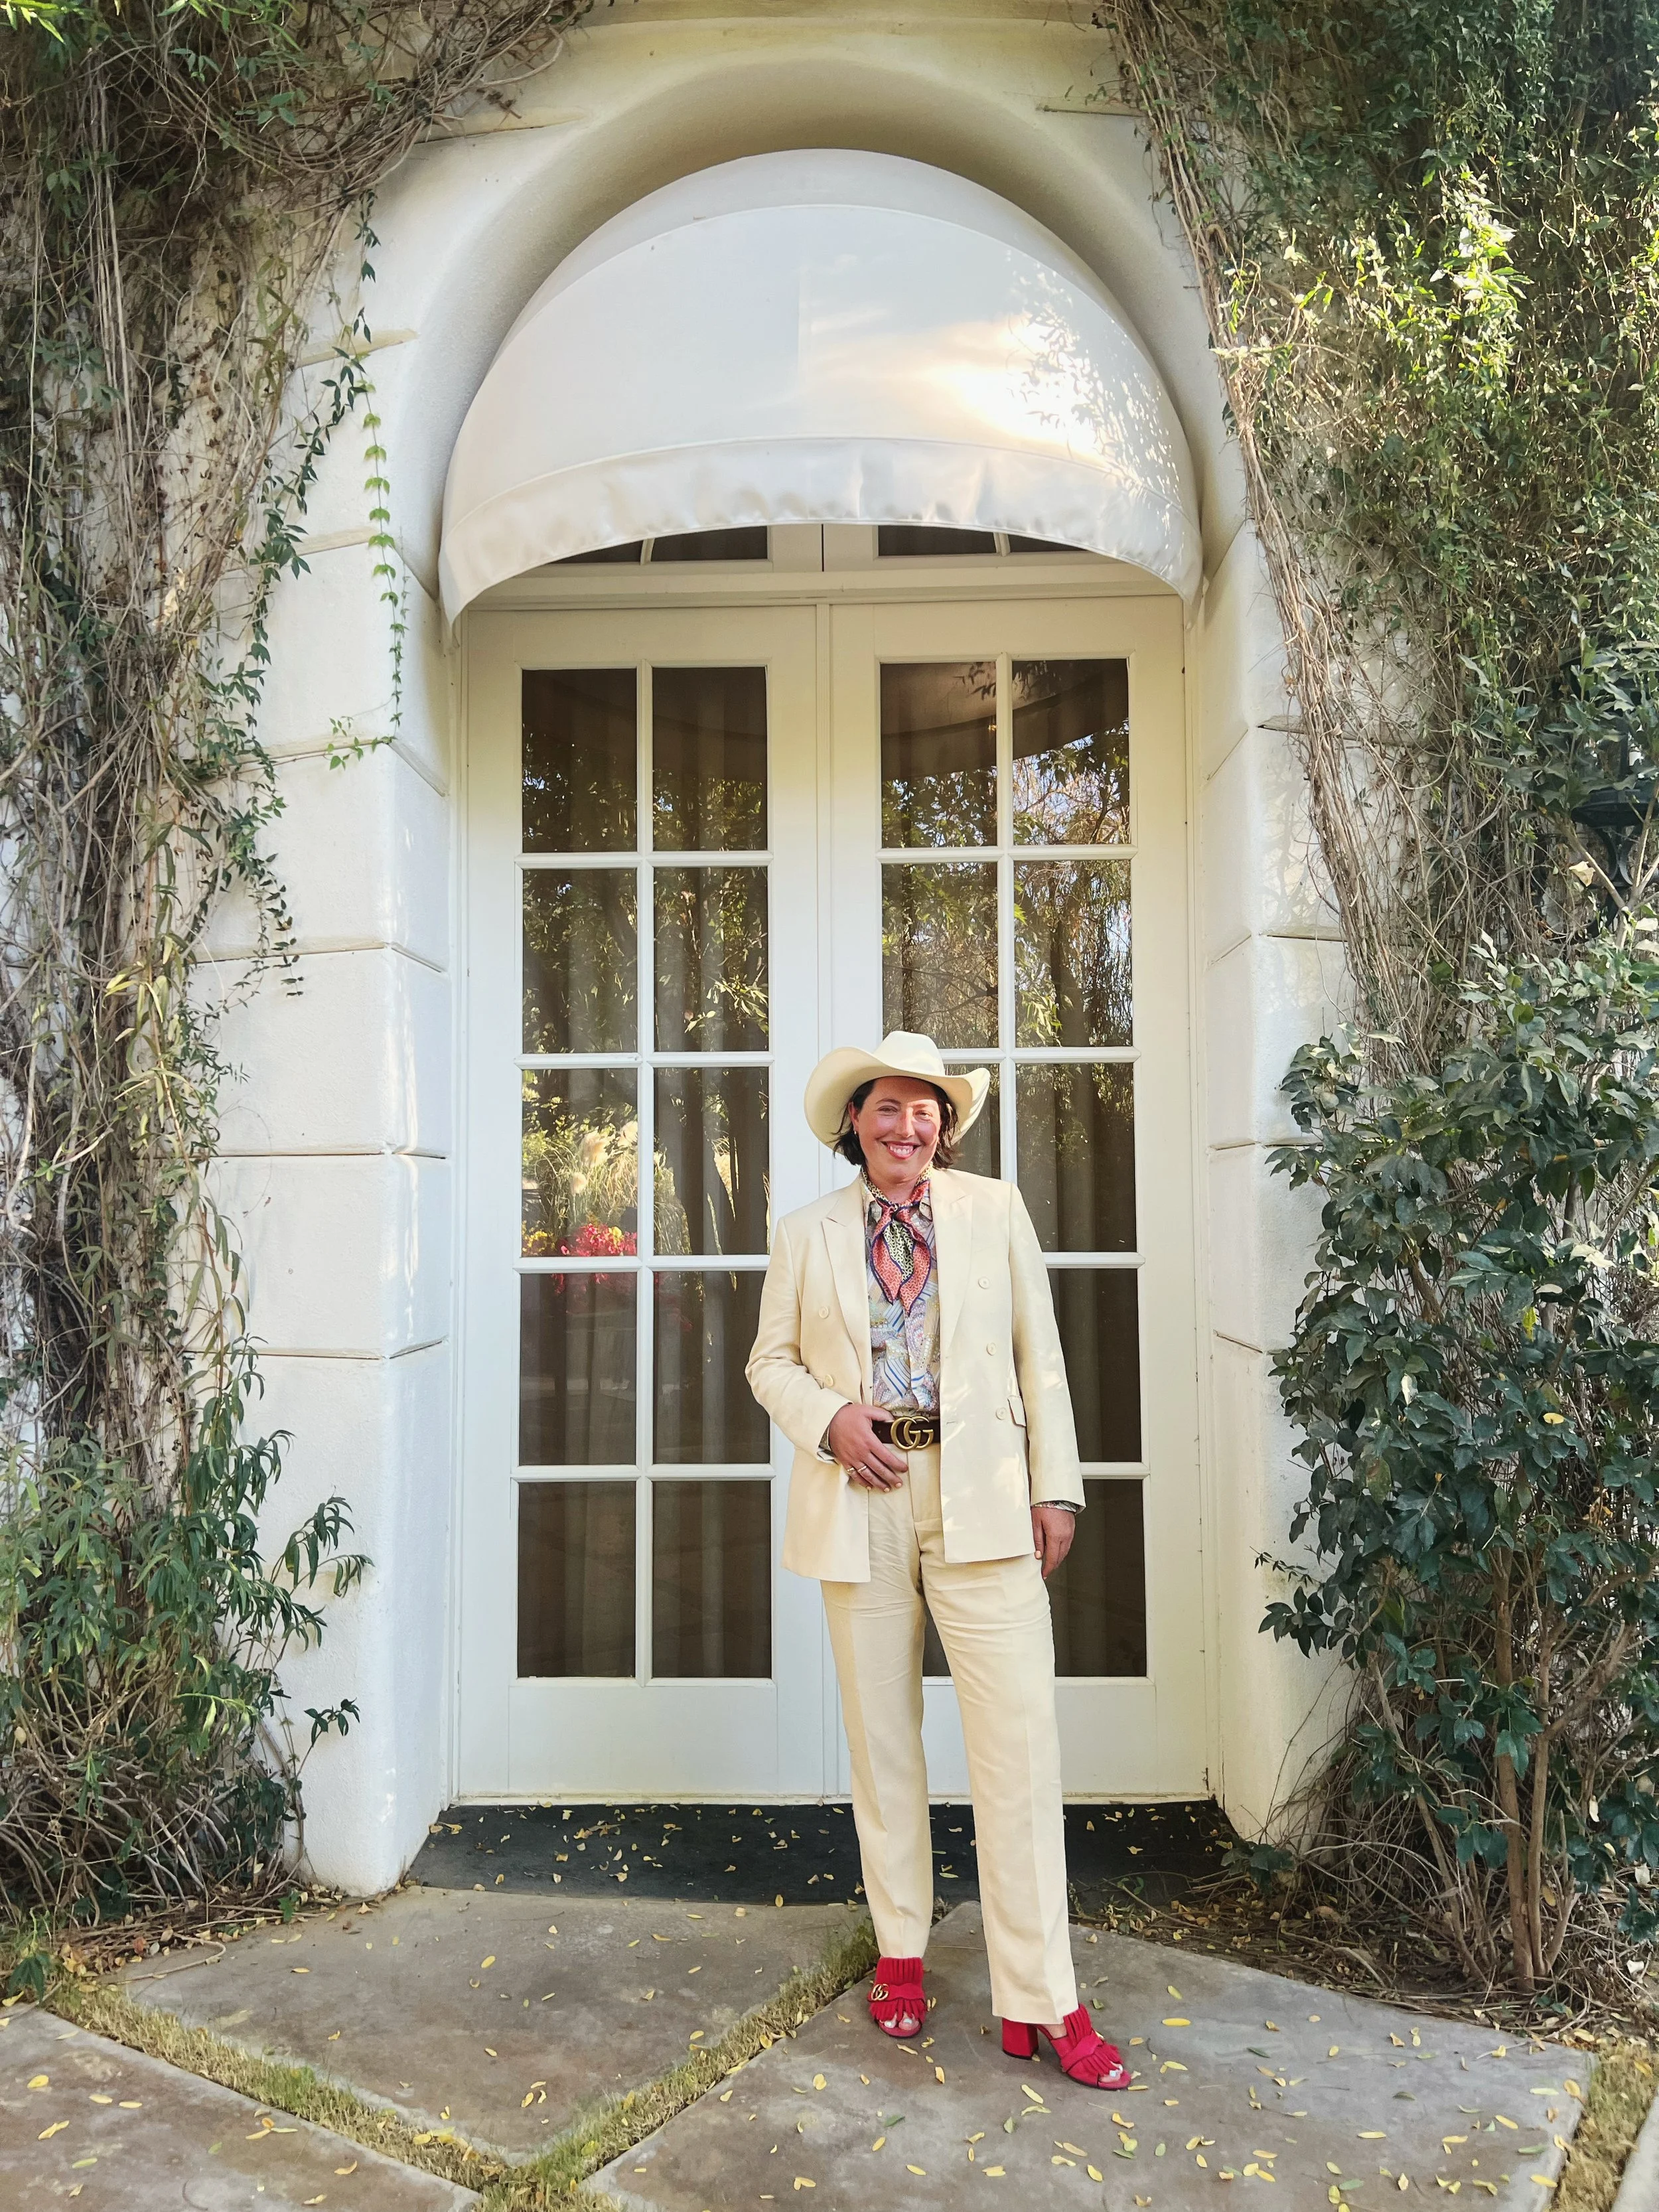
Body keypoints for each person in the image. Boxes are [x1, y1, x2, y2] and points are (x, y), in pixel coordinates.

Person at [745, 1030, 1130, 2091]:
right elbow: (767, 1362)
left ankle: (1043, 1995)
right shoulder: (805, 1233)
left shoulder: (993, 1211)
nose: (907, 1126)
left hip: (985, 1497)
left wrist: (1057, 1485)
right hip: (860, 1498)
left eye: (926, 1110)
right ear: (853, 1123)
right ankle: (902, 1950)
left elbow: (1037, 1355)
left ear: (944, 1127)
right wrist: (831, 1420)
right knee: (884, 1742)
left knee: (1017, 1746)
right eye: (887, 1108)